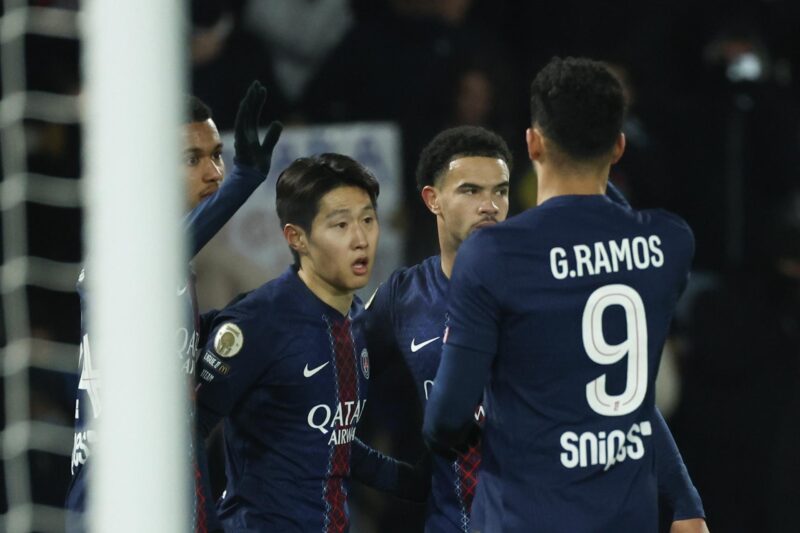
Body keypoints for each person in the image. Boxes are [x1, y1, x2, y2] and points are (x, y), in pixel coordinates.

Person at [363, 124, 706, 532]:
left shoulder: (549, 287)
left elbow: (622, 400)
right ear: (432, 199)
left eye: (500, 191)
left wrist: (684, 502)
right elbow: (328, 383)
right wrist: (385, 477)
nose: (489, 206)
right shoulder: (403, 298)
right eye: (470, 191)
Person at [66, 82, 283, 533]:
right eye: (191, 159)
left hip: (174, 482)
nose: (214, 172)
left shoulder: (174, 266)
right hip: (119, 491)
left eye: (217, 155)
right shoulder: (124, 245)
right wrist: (244, 179)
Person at [195, 153, 427, 532]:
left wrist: (414, 483)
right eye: (340, 225)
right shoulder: (259, 321)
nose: (360, 239)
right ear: (297, 237)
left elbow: (331, 444)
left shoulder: (356, 320)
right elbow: (189, 430)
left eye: (368, 220)